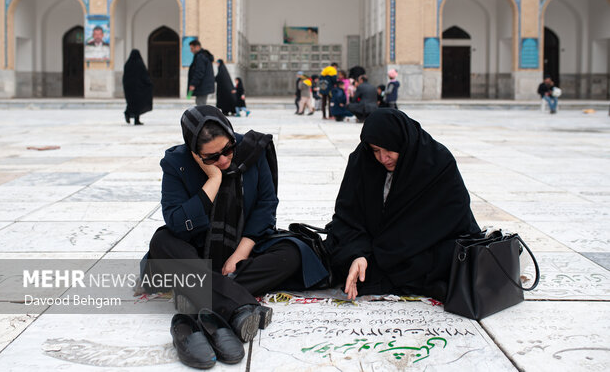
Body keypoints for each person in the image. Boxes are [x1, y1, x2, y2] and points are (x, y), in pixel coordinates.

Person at [143, 106, 328, 364]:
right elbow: (176, 221)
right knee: (162, 242)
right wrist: (213, 181)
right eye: (211, 157)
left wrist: (241, 252)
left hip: (244, 244)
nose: (223, 160)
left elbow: (266, 204)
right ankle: (237, 306)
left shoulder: (253, 148)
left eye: (227, 150)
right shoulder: (177, 164)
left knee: (293, 253)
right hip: (197, 249)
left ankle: (195, 293)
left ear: (232, 136)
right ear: (195, 153)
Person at [324, 109, 481, 302]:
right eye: (375, 150)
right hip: (374, 247)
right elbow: (347, 216)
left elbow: (453, 219)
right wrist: (358, 253)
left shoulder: (437, 163)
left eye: (389, 149)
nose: (383, 158)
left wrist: (386, 252)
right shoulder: (362, 161)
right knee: (339, 252)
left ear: (403, 141)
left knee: (445, 258)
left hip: (419, 247)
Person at [122, 50, 152, 125]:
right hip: (139, 89)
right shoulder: (140, 64)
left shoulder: (127, 64)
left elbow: (124, 78)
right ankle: (136, 119)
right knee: (138, 104)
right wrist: (149, 83)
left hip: (129, 89)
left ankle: (128, 114)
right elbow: (144, 76)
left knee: (131, 104)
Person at [188, 40, 215, 106]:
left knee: (201, 105)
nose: (191, 51)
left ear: (197, 47)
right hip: (203, 85)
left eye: (192, 48)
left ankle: (202, 116)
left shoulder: (200, 57)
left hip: (202, 85)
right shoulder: (203, 56)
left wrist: (193, 84)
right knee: (200, 104)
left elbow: (199, 72)